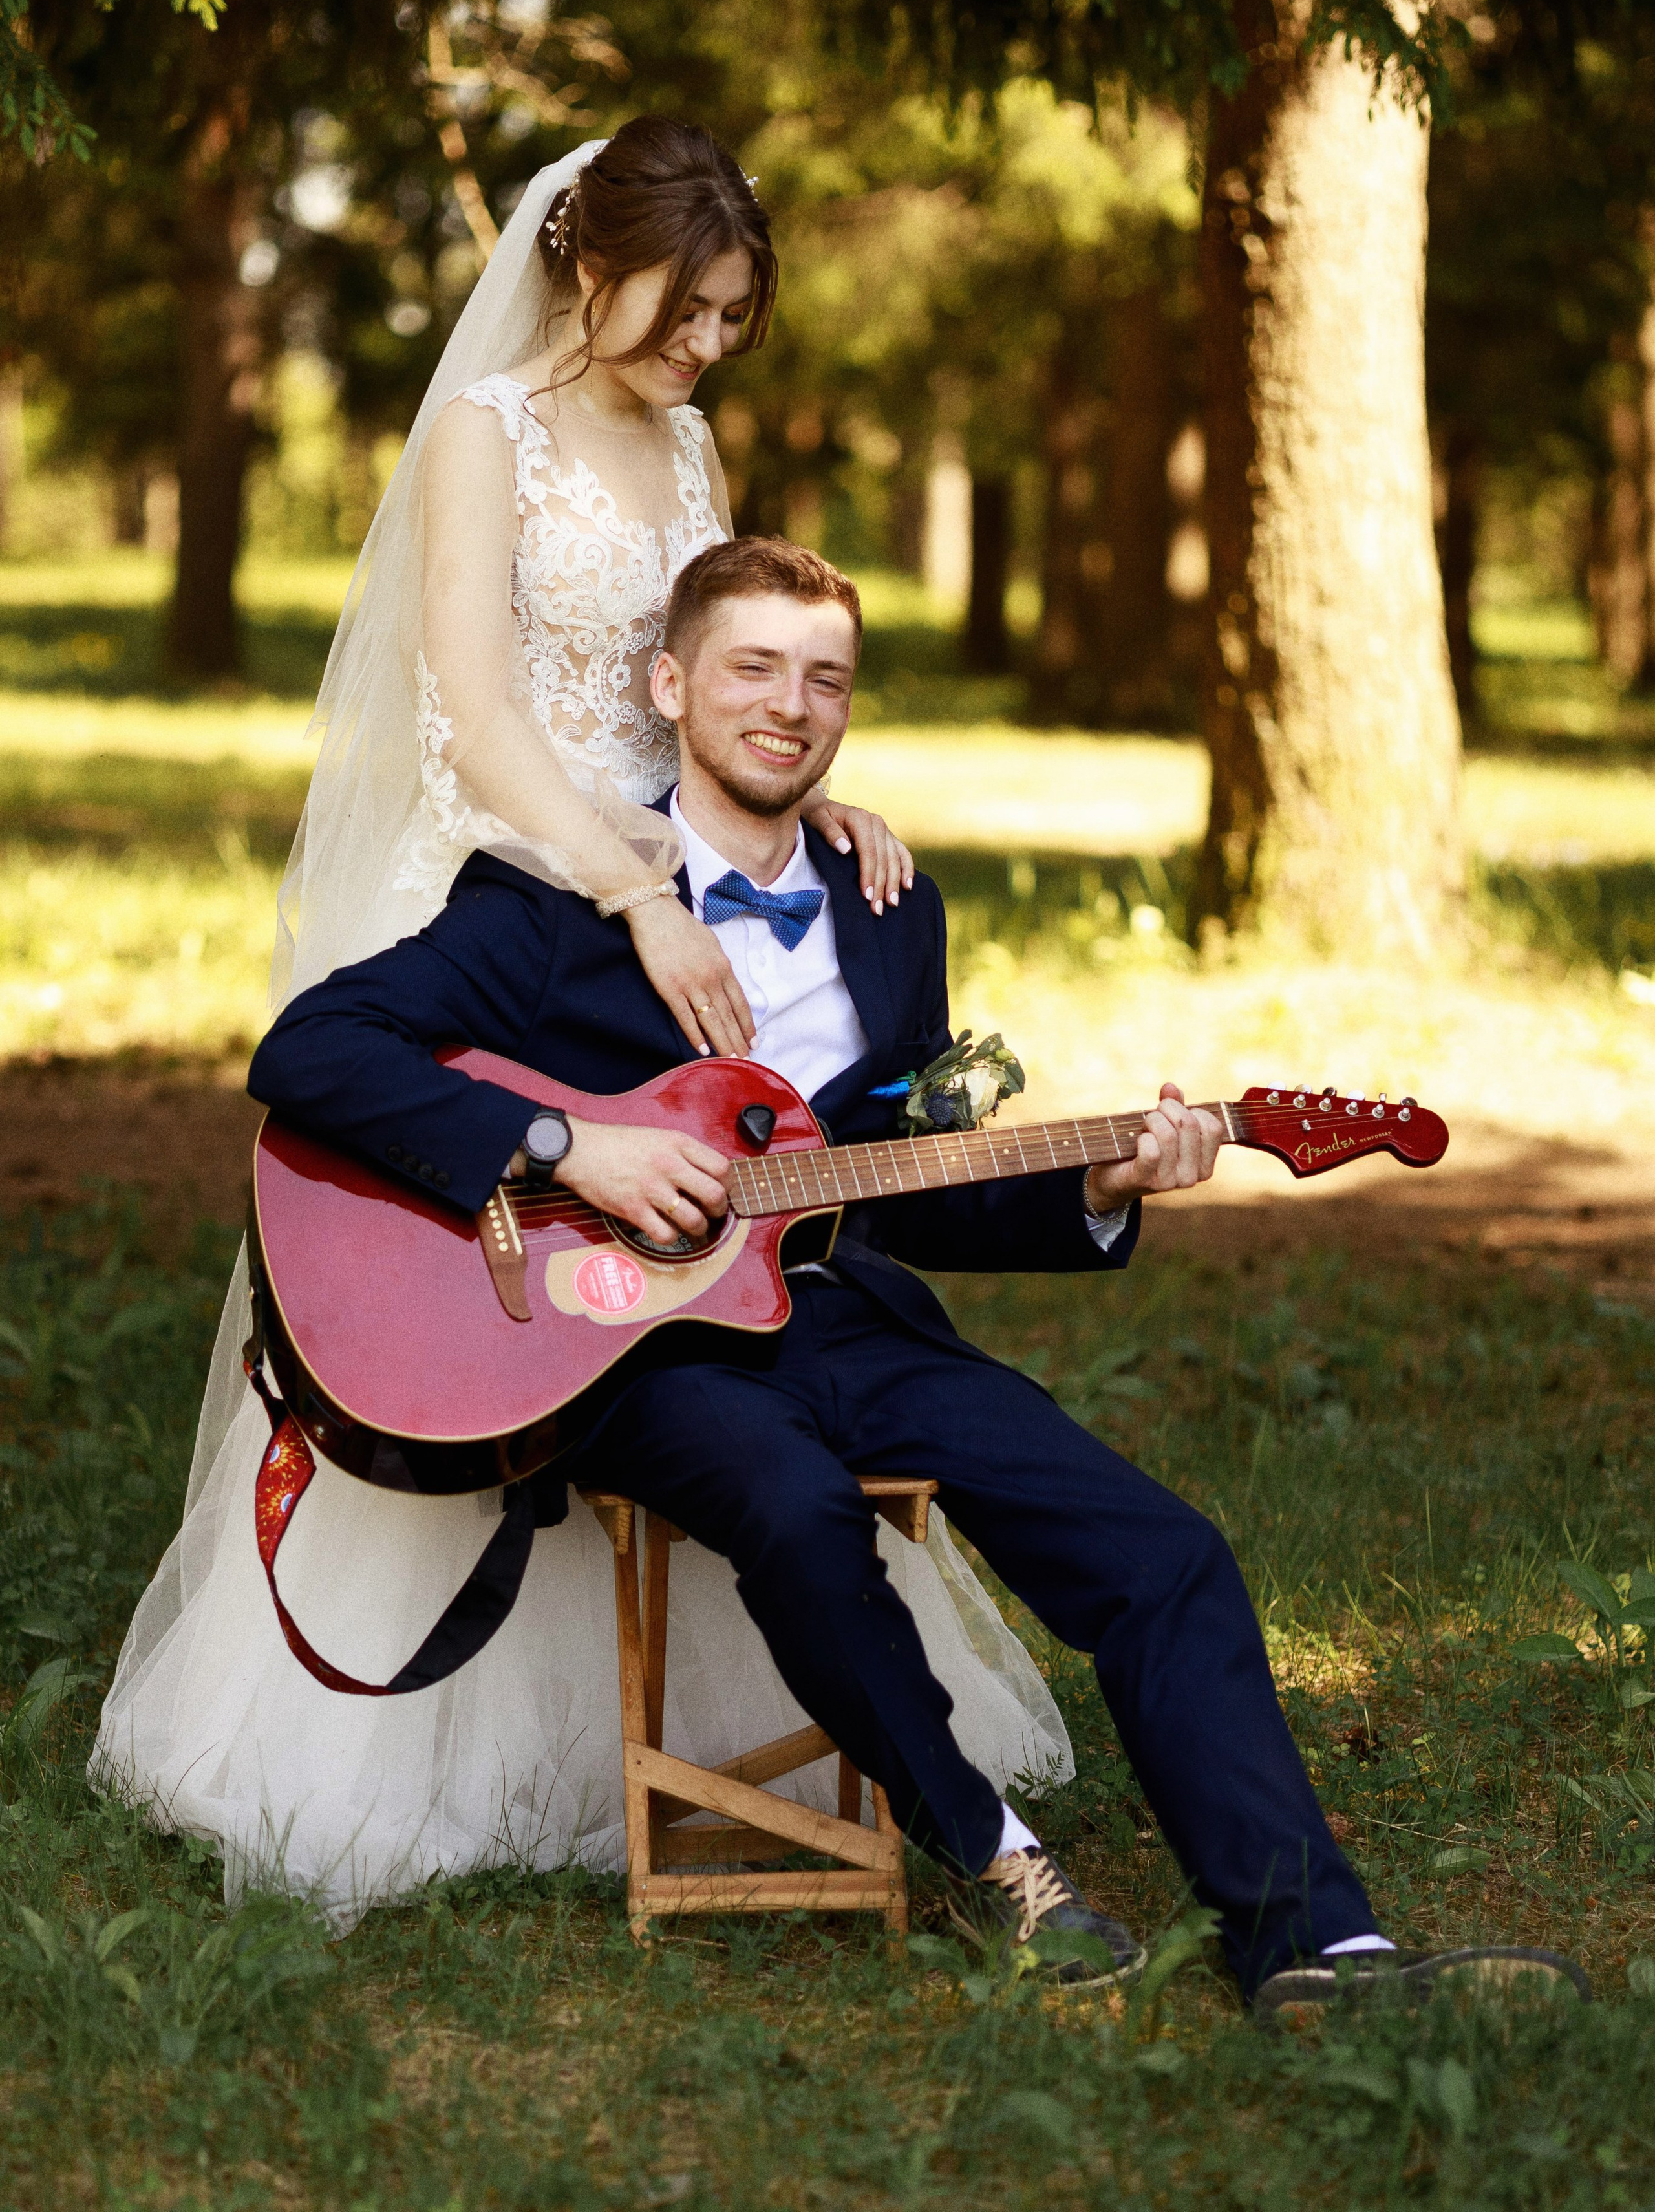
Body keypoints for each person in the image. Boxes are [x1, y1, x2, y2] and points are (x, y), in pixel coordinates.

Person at [240, 536, 1588, 2011]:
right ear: (669, 684)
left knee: (1160, 1553)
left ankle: (1319, 1947)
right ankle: (999, 1860)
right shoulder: (556, 896)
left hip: (838, 1314)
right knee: (796, 1509)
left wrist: (1090, 1184)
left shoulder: (891, 909)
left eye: (825, 678)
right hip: (628, 1343)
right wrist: (569, 1148)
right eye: (752, 668)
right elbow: (309, 1055)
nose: (789, 706)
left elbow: (892, 1180)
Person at [91, 126, 1067, 1927]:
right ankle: (411, 1751)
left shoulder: (685, 437)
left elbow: (718, 660)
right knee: (493, 1284)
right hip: (514, 895)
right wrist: (628, 891)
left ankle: (737, 1684)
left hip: (677, 907)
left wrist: (794, 820)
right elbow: (472, 706)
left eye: (728, 319)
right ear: (584, 261)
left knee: (690, 1269)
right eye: (684, 309)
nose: (706, 350)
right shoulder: (487, 436)